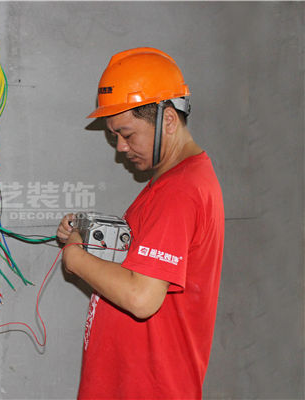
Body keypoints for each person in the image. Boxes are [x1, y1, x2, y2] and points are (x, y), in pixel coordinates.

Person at [57, 47, 224, 399]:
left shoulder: (179, 191)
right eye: (114, 136)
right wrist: (87, 242)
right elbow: (136, 271)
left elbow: (141, 297)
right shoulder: (170, 184)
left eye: (127, 134)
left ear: (168, 120)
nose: (120, 147)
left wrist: (75, 258)